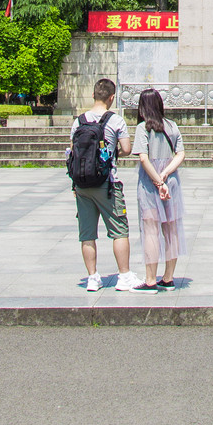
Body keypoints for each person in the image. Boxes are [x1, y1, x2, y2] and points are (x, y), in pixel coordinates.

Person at [72, 77, 142, 292]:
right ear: (112, 98)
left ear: (93, 95)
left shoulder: (79, 121)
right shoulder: (116, 120)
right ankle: (123, 275)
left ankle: (92, 277)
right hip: (107, 183)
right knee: (119, 230)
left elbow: (74, 152)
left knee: (87, 234)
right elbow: (127, 149)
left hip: (82, 184)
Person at [133, 88, 186, 290]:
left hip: (150, 184)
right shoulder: (172, 126)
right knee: (171, 230)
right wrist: (165, 175)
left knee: (151, 231)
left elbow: (144, 158)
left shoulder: (142, 128)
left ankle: (150, 280)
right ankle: (169, 277)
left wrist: (157, 180)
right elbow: (180, 154)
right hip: (171, 182)